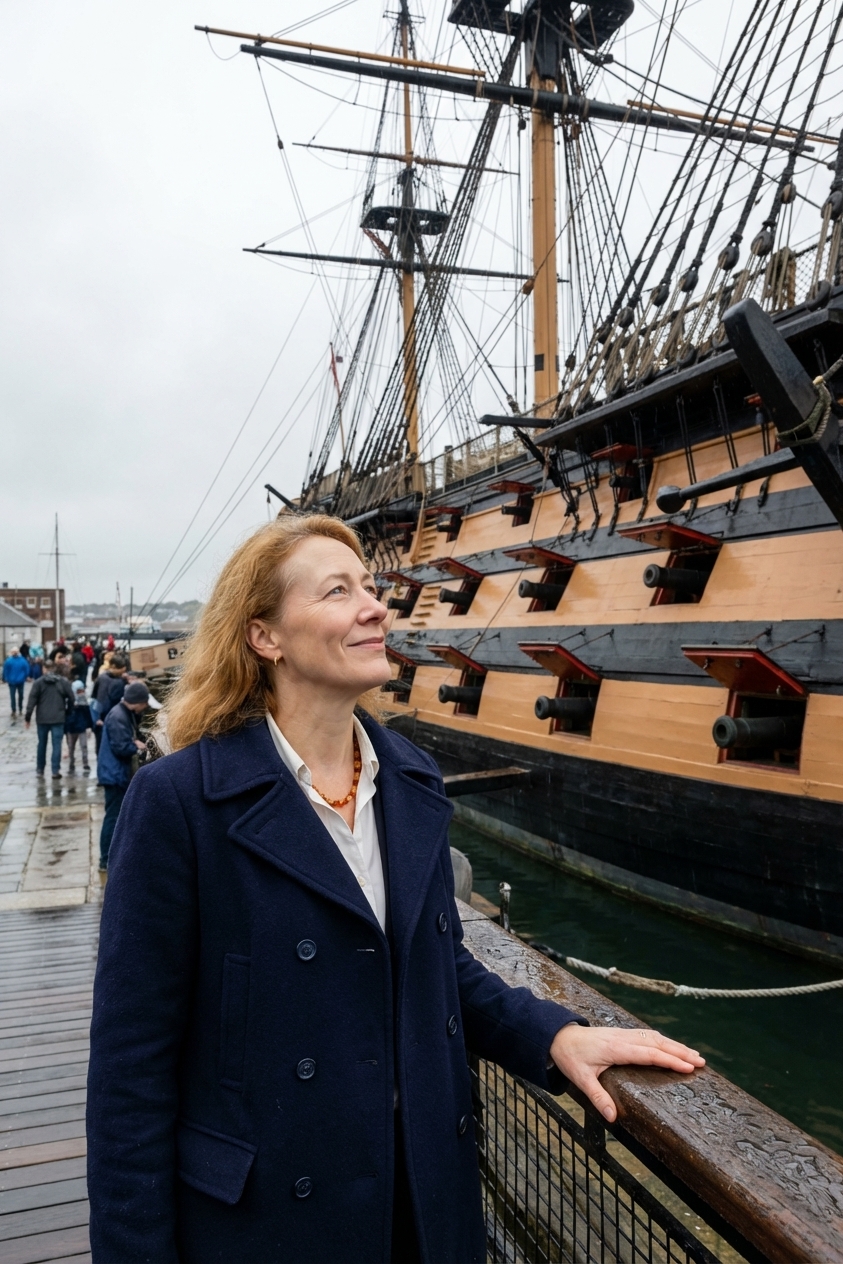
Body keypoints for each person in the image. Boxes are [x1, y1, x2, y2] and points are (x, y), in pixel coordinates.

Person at [86, 516, 704, 1264]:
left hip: (418, 1202)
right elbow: (130, 1072)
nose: (376, 606)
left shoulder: (408, 781)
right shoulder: (180, 803)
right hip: (266, 1219)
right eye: (338, 591)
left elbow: (436, 968)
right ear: (264, 637)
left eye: (373, 589)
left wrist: (550, 1033)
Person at [96, 681, 148, 870]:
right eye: (144, 703)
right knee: (113, 817)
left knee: (115, 816)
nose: (145, 706)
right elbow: (121, 747)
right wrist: (135, 745)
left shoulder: (122, 713)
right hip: (115, 774)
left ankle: (110, 857)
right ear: (136, 701)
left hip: (114, 772)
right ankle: (106, 859)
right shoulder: (119, 716)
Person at [25, 660, 75, 778]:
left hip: (42, 718)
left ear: (44, 669)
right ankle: (55, 770)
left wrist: (28, 717)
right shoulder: (63, 682)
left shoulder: (38, 683)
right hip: (58, 717)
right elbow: (72, 698)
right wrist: (68, 712)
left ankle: (40, 769)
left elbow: (32, 701)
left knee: (41, 744)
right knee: (57, 744)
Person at [65, 679, 95, 773]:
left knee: (84, 746)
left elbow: (88, 715)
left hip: (81, 727)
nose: (81, 693)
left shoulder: (85, 702)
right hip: (72, 728)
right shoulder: (69, 702)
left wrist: (90, 726)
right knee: (71, 747)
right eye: (79, 691)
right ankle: (71, 763)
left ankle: (85, 763)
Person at [3, 647, 29, 719]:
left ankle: (19, 709)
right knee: (14, 696)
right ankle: (14, 709)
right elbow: (5, 671)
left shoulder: (11, 661)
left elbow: (26, 669)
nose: (15, 653)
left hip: (17, 681)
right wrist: (5, 678)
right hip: (14, 681)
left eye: (16, 651)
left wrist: (5, 678)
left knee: (19, 696)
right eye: (14, 651)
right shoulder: (10, 661)